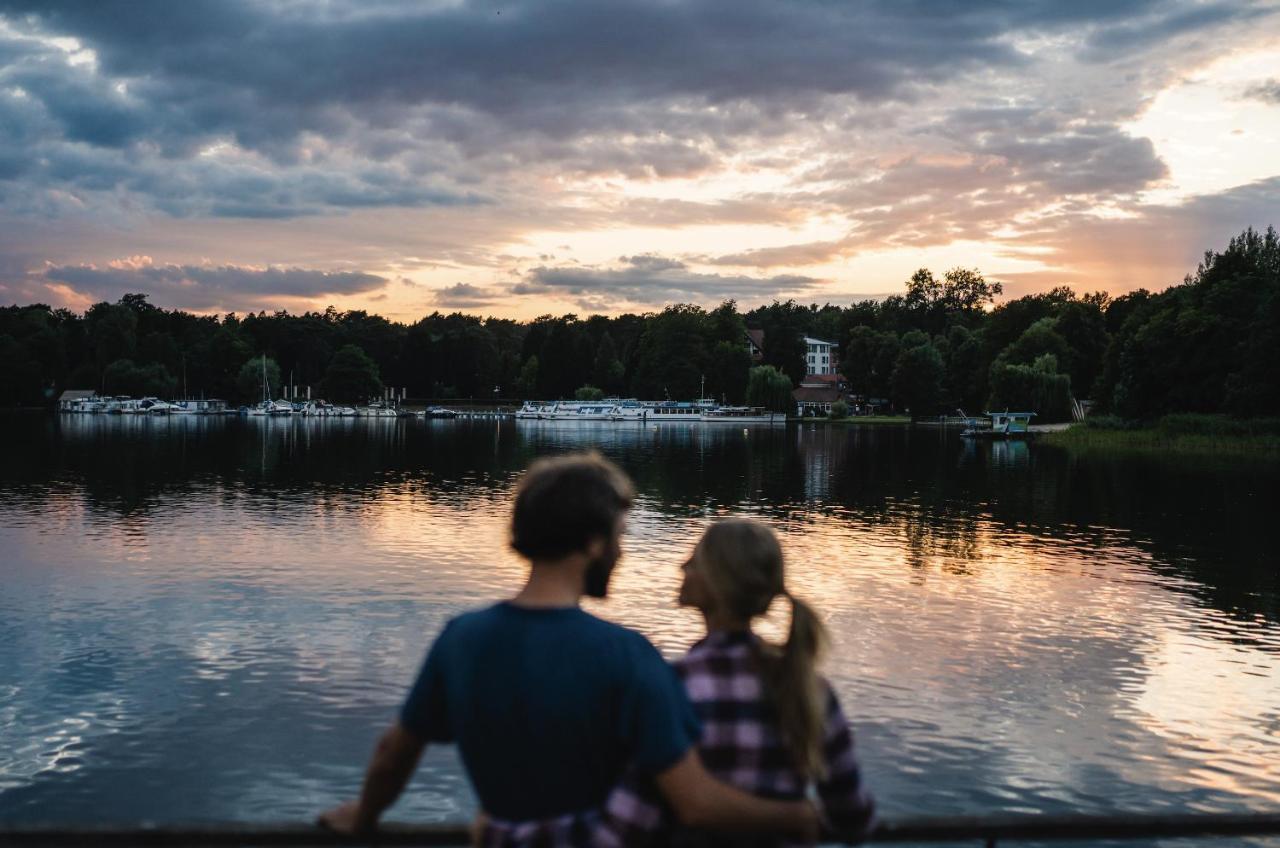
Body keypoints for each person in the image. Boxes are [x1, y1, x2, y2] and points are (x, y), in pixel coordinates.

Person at [318, 453, 818, 845]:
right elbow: (696, 805)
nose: (623, 553)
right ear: (593, 544)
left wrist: (363, 816)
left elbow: (393, 755)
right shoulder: (627, 656)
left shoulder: (461, 638)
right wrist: (795, 814)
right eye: (620, 537)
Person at [486, 517, 876, 846]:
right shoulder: (812, 688)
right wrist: (795, 817)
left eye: (695, 559)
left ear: (716, 582)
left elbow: (623, 826)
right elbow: (854, 818)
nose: (682, 567)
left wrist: (504, 835)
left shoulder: (673, 687)